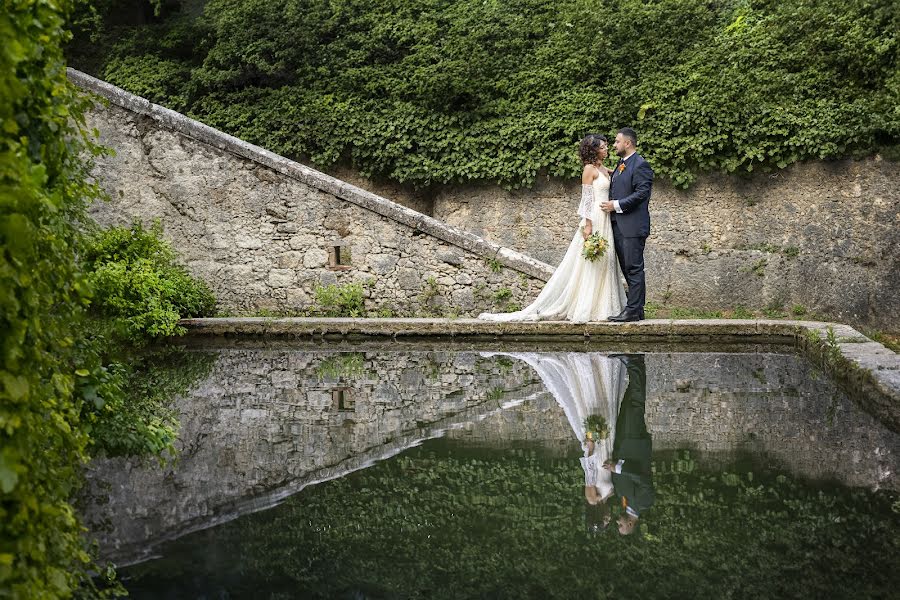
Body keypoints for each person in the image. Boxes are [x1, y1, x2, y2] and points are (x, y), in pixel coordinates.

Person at [478, 135, 625, 323]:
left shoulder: (603, 168)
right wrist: (588, 225)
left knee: (605, 260)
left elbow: (616, 177)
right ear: (594, 150)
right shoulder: (589, 170)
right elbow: (587, 199)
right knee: (591, 262)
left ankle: (604, 305)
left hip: (606, 217)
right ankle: (588, 306)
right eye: (603, 147)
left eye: (606, 146)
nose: (606, 149)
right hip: (595, 219)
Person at [600, 128, 654, 322]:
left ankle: (632, 310)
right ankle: (637, 310)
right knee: (628, 268)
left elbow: (642, 194)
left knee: (634, 268)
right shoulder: (622, 164)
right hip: (620, 225)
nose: (614, 145)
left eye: (616, 142)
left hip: (632, 226)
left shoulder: (640, 165)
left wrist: (616, 205)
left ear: (628, 143)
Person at [602, 354, 654, 535]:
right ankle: (635, 362)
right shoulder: (644, 503)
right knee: (636, 405)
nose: (618, 523)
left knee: (628, 402)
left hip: (624, 443)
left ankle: (634, 365)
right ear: (630, 525)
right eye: (620, 526)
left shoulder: (624, 502)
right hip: (635, 445)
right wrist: (618, 468)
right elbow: (643, 479)